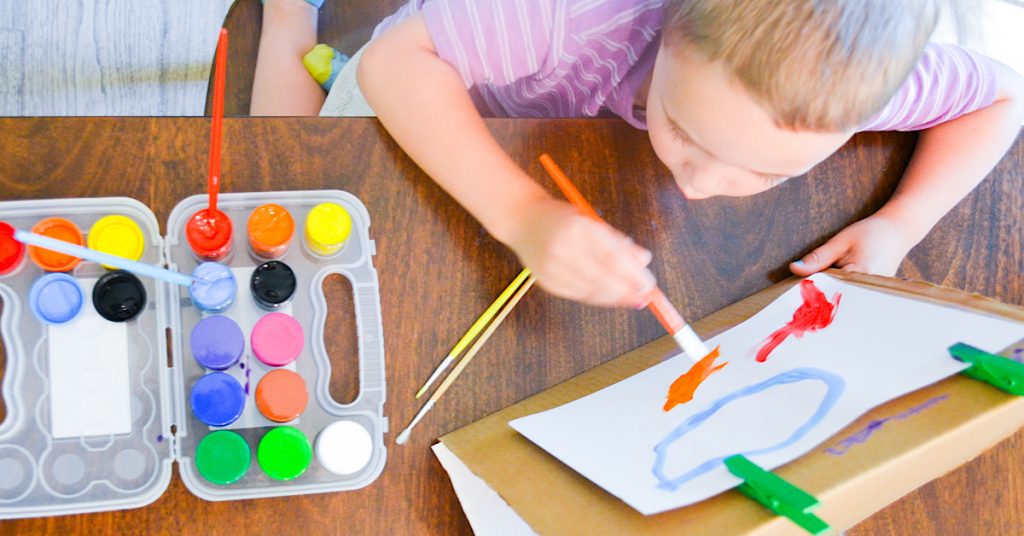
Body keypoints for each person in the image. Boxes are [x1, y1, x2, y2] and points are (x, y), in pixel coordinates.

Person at [252, 0, 1024, 308]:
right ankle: (290, 16)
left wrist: (901, 224)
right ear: (670, 26)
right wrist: (520, 213)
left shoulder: (859, 80)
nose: (699, 186)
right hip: (447, 82)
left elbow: (1003, 99)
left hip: (551, 138)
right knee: (290, 173)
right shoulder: (571, 15)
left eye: (769, 170)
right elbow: (394, 67)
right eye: (686, 132)